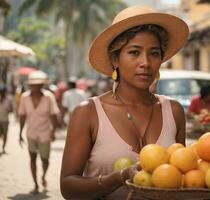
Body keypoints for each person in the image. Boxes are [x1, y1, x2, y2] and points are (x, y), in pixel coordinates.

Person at [60, 5, 188, 199]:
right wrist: (119, 177)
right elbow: (68, 187)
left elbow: (183, 173)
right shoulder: (89, 113)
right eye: (134, 52)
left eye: (154, 53)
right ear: (115, 59)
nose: (145, 62)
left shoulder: (174, 111)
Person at [18, 70, 59, 194]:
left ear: (42, 85)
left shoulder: (48, 97)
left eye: (38, 84)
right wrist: (19, 133)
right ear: (29, 85)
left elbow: (53, 116)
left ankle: (43, 176)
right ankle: (35, 184)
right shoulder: (25, 97)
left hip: (45, 133)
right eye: (33, 84)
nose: (35, 86)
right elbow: (22, 116)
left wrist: (53, 131)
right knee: (32, 158)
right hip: (31, 132)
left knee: (45, 159)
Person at [0, 85, 13, 154]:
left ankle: (3, 148)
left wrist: (9, 110)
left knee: (5, 135)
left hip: (5, 120)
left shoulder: (9, 99)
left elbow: (11, 110)